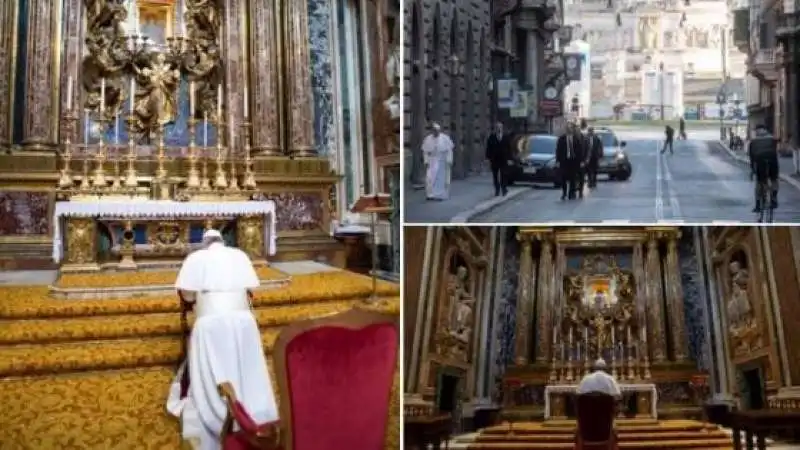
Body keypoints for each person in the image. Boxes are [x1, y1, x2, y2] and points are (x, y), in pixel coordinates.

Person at [166, 229, 278, 450]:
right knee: (246, 366)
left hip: (210, 325)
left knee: (215, 367)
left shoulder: (196, 258)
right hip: (244, 323)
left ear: (205, 244)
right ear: (222, 242)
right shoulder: (239, 256)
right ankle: (252, 406)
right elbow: (248, 289)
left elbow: (187, 295)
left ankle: (217, 410)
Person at [748, 124, 779, 212]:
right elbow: (775, 150)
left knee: (759, 182)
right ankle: (774, 198)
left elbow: (752, 157)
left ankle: (758, 205)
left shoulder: (753, 142)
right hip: (772, 160)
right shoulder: (772, 139)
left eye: (756, 130)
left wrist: (752, 170)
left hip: (760, 160)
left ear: (758, 131)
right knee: (774, 179)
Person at [422, 123, 454, 201]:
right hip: (432, 160)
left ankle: (441, 195)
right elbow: (425, 152)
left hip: (442, 161)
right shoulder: (428, 139)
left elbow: (449, 150)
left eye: (437, 131)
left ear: (439, 131)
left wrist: (449, 160)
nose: (435, 132)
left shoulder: (445, 138)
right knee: (429, 178)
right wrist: (426, 161)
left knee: (442, 179)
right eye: (434, 131)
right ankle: (430, 194)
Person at [555, 122, 585, 200]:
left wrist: (581, 161)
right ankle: (564, 193)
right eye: (567, 128)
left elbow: (580, 150)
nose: (569, 129)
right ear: (565, 130)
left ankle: (571, 193)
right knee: (563, 178)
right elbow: (558, 150)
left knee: (573, 178)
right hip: (564, 161)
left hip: (574, 161)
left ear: (572, 129)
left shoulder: (576, 139)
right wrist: (558, 161)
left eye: (570, 128)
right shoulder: (561, 139)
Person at [486, 122, 512, 196]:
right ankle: (497, 189)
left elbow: (509, 148)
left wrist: (510, 158)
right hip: (494, 159)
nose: (499, 129)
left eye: (500, 127)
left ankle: (504, 189)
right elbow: (488, 148)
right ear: (495, 129)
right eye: (497, 127)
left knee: (504, 175)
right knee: (495, 176)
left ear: (502, 128)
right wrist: (488, 158)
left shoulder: (506, 137)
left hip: (504, 159)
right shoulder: (492, 137)